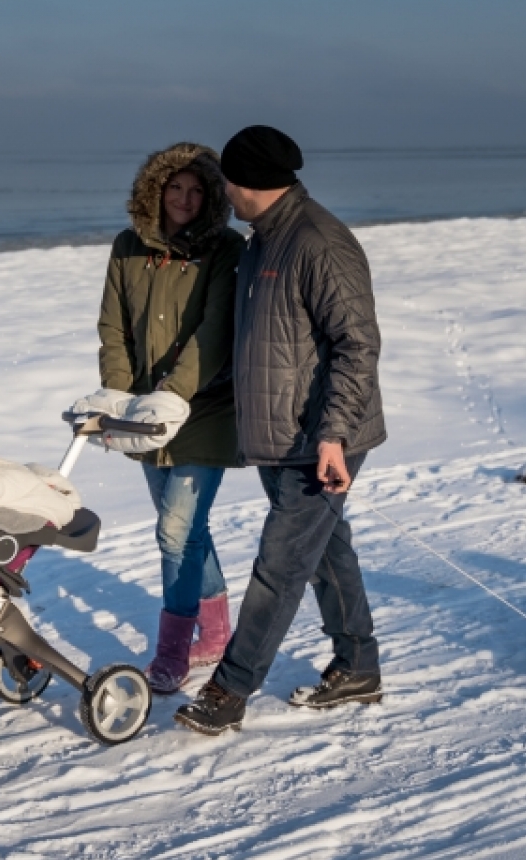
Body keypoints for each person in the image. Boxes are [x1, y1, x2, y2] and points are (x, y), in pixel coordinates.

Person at [175, 125, 387, 735]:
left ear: (247, 185)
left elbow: (358, 344)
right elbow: (263, 347)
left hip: (318, 439)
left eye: (225, 184)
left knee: (280, 564)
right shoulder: (262, 240)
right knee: (324, 553)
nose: (221, 194)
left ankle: (230, 689)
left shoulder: (319, 242)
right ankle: (358, 665)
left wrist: (334, 436)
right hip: (279, 435)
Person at [78, 142, 246, 694]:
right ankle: (217, 632)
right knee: (187, 532)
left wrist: (175, 394)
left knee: (174, 532)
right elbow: (114, 325)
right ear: (156, 190)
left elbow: (216, 328)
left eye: (198, 190)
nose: (186, 198)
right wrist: (120, 398)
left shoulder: (226, 248)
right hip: (143, 414)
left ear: (211, 197)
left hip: (203, 408)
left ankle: (172, 651)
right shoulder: (128, 246)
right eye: (176, 188)